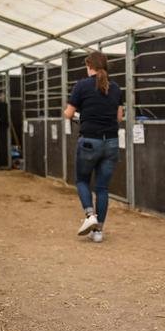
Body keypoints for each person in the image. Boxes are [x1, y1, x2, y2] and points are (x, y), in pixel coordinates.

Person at [64, 51, 123, 243]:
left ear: (89, 65)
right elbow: (119, 117)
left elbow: (68, 113)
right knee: (102, 188)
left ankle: (90, 216)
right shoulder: (115, 88)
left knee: (81, 180)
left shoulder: (81, 86)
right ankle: (98, 231)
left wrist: (79, 113)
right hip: (112, 142)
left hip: (90, 141)